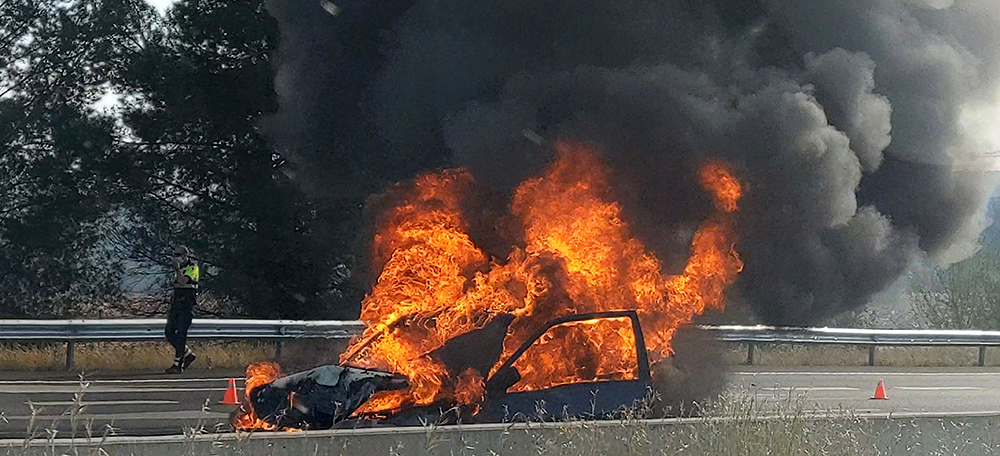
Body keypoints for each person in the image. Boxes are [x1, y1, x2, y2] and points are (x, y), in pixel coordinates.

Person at [165, 245, 199, 374]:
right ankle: (188, 354)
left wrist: (178, 270)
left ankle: (177, 365)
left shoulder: (192, 267)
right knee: (169, 331)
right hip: (177, 303)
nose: (176, 257)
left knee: (181, 334)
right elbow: (175, 283)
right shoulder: (178, 269)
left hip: (187, 305)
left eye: (178, 255)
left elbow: (184, 281)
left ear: (185, 255)